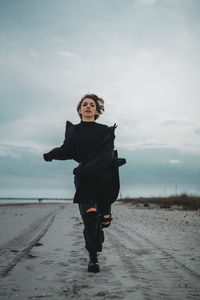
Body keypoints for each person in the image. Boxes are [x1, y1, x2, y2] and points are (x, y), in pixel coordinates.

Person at [43, 94, 126, 273]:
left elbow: (106, 154)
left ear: (97, 111)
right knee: (89, 218)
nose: (88, 107)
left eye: (92, 105)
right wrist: (52, 154)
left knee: (101, 221)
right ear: (80, 110)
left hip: (104, 177)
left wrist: (112, 163)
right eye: (84, 105)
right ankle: (93, 258)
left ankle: (104, 217)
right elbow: (66, 150)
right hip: (85, 178)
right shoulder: (74, 130)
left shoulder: (105, 131)